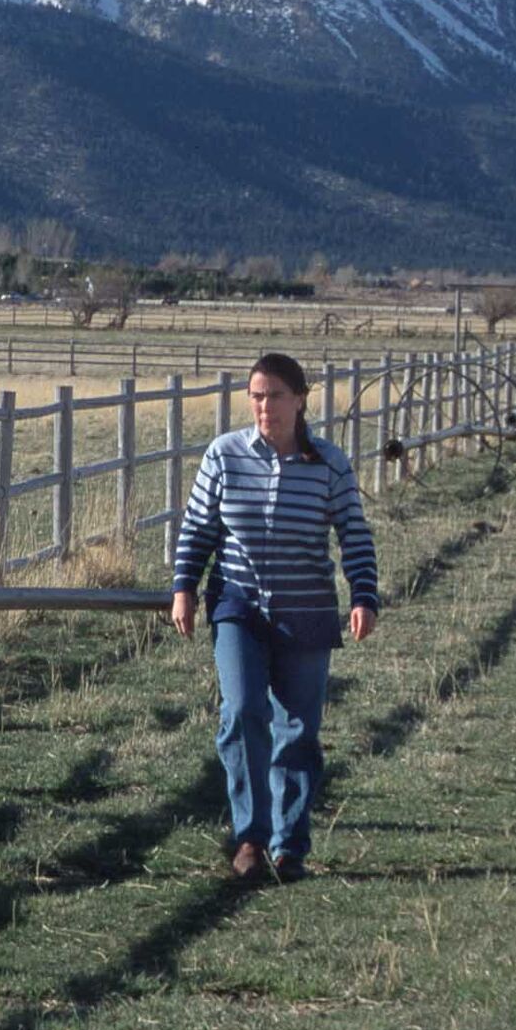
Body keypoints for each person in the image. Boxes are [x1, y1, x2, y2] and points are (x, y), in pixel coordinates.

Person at [170, 352, 378, 884]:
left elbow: (353, 533)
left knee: (299, 731)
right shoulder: (224, 455)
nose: (266, 407)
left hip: (305, 609)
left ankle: (290, 845)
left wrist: (363, 595)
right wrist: (185, 589)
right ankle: (250, 837)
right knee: (241, 713)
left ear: (301, 399)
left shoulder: (328, 464)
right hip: (238, 604)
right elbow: (198, 528)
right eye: (257, 396)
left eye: (277, 395)